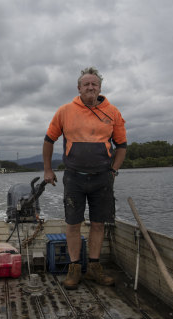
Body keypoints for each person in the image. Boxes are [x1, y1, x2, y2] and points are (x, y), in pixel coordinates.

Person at [43, 67, 127, 289]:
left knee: (98, 224)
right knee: (73, 224)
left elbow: (122, 146)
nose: (91, 87)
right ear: (79, 88)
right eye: (86, 84)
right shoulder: (65, 111)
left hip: (102, 179)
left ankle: (94, 268)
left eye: (95, 84)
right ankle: (73, 269)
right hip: (74, 178)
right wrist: (48, 170)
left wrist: (114, 170)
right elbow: (49, 140)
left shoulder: (113, 112)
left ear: (100, 87)